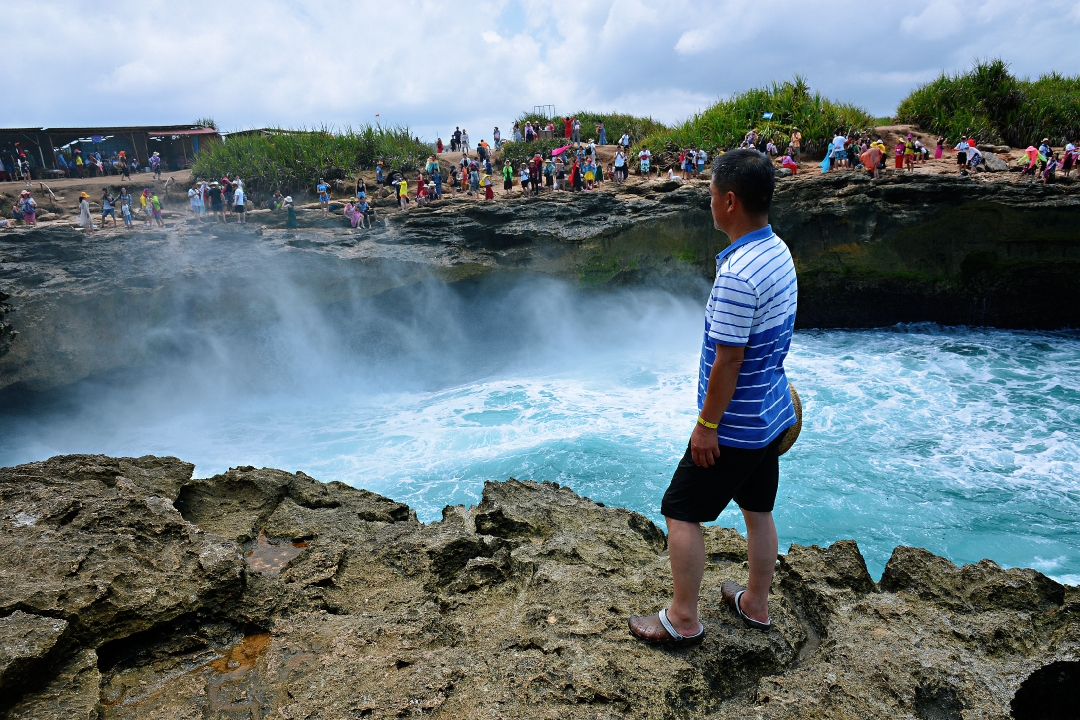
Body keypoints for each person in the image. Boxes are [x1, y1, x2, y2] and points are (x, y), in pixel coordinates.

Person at [628, 149, 797, 645]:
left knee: (681, 510)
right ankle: (755, 604)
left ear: (728, 201)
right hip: (769, 414)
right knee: (758, 508)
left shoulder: (738, 275)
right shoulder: (777, 252)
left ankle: (682, 619)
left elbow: (729, 360)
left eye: (709, 195)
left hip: (735, 424)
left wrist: (707, 425)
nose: (708, 204)